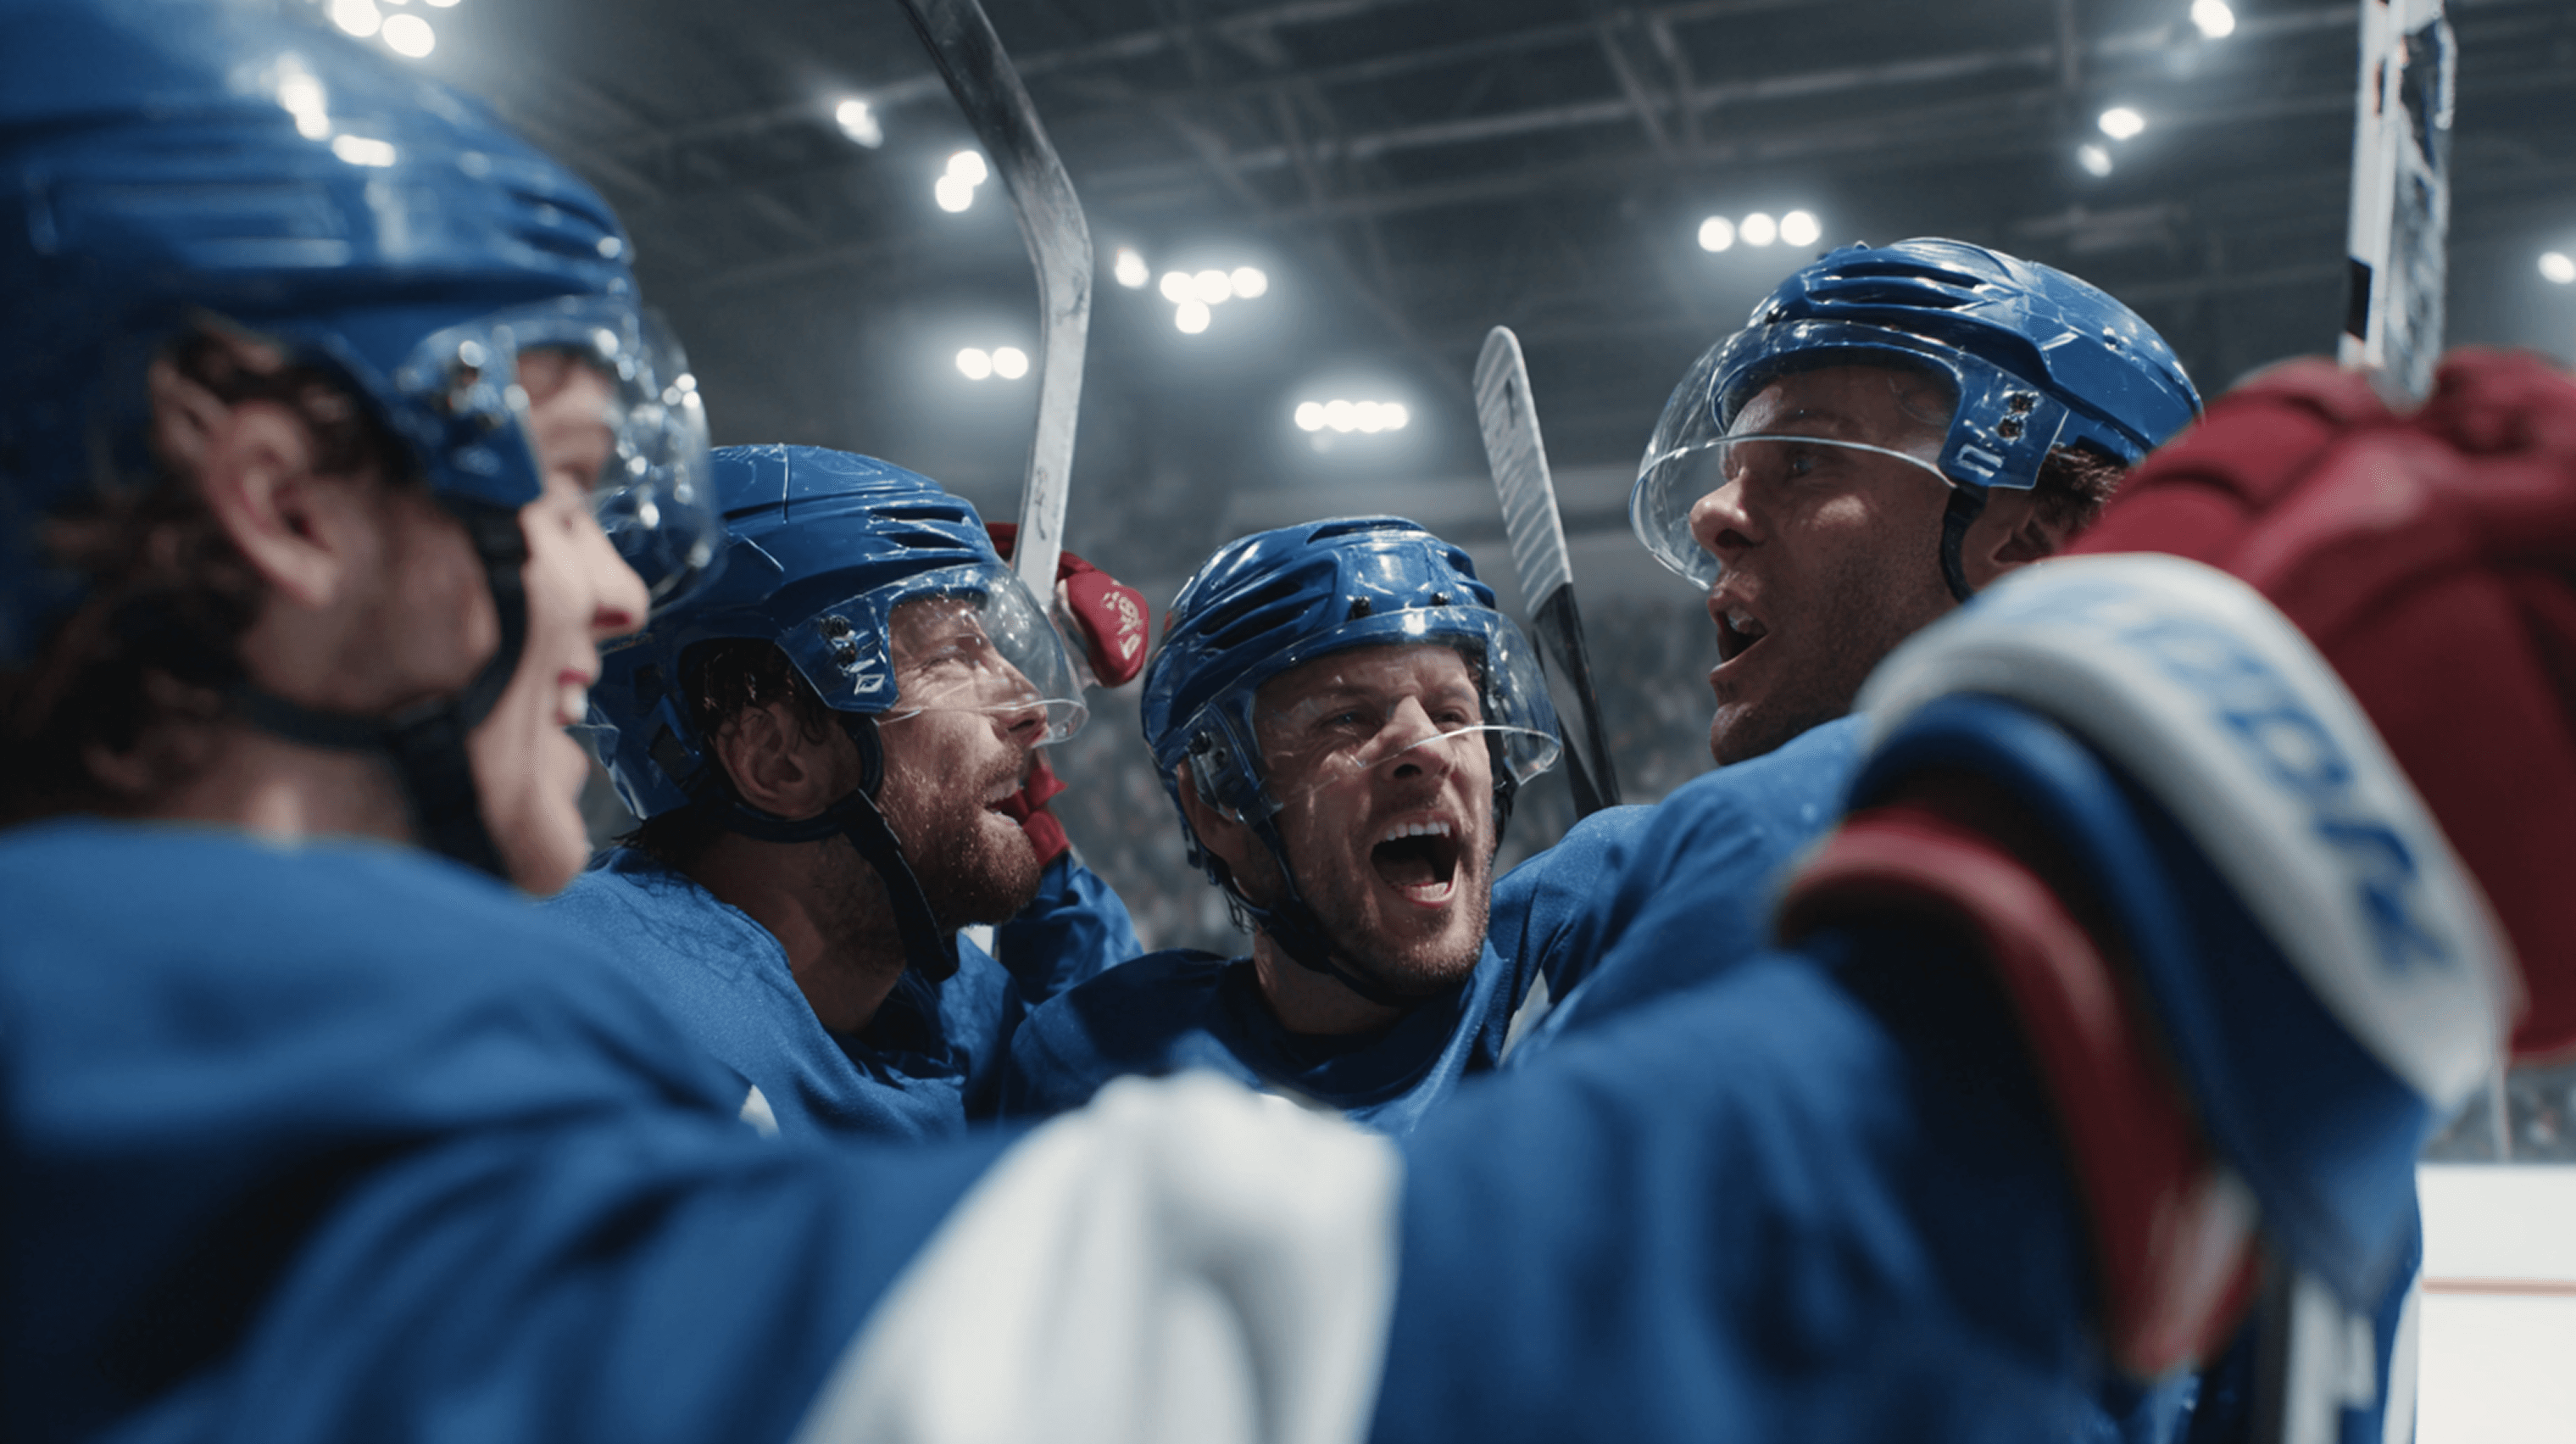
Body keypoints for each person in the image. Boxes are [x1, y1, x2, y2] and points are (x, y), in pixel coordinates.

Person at [16, 5, 2576, 1442]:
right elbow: (1038, 1372)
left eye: (1451, 708)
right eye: (567, 485)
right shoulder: (217, 1079)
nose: (605, 580)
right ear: (274, 498)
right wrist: (2128, 922)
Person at [1496, 237, 2205, 1059]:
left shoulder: (1779, 846)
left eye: (1803, 460)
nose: (1709, 513)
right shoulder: (2235, 881)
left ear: (2027, 541)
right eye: (1730, 470)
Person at [549, 443, 1145, 1137]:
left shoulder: (936, 990)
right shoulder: (589, 1009)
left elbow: (1103, 1094)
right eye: (953, 654)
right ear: (778, 761)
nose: (1032, 710)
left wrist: (1051, 877)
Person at [1000, 516, 1574, 1133]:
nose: (1429, 747)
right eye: (1346, 718)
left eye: (1452, 713)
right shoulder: (1106, 1071)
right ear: (1218, 807)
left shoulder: (1589, 923)